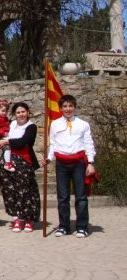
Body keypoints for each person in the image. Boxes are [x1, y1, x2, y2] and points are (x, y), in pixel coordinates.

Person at [47, 94, 96, 238]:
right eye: (65, 106)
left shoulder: (83, 124)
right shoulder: (55, 124)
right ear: (61, 108)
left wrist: (91, 163)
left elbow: (88, 143)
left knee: (81, 196)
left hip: (79, 163)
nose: (68, 109)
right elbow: (53, 144)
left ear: (74, 107)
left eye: (70, 106)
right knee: (63, 197)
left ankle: (82, 226)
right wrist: (49, 158)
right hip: (62, 163)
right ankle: (64, 226)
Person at [0, 102, 40, 233]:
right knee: (9, 190)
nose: (21, 114)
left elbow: (23, 142)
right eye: (18, 112)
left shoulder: (31, 127)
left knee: (25, 190)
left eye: (23, 112)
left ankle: (28, 219)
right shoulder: (11, 124)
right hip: (7, 159)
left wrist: (7, 141)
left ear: (28, 112)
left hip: (23, 161)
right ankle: (16, 219)